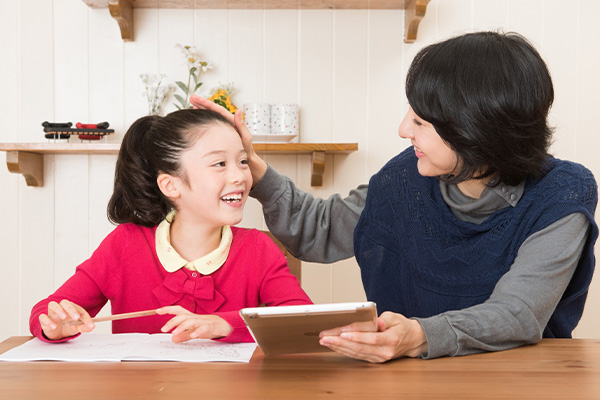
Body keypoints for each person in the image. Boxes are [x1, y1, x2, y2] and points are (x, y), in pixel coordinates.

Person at [191, 31, 598, 362]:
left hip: (521, 379)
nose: (404, 129)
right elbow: (319, 230)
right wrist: (250, 165)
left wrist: (419, 335)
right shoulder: (406, 175)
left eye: (421, 120)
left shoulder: (560, 195)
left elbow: (518, 313)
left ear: (476, 131)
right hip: (408, 381)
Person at [30, 109, 312, 344]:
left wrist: (225, 325)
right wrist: (53, 325)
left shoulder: (258, 249)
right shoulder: (124, 244)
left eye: (241, 162)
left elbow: (302, 320)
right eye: (219, 163)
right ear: (171, 185)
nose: (239, 176)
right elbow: (47, 310)